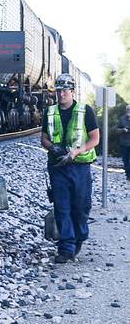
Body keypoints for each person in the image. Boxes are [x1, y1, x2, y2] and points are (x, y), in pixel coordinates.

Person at [41, 74, 100, 263]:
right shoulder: (49, 112)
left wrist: (77, 151)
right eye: (58, 90)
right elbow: (44, 138)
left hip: (79, 167)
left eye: (65, 90)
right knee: (62, 207)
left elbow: (94, 138)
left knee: (81, 206)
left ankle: (79, 237)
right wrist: (52, 148)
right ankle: (66, 247)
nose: (61, 94)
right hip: (58, 167)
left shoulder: (85, 111)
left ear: (72, 91)